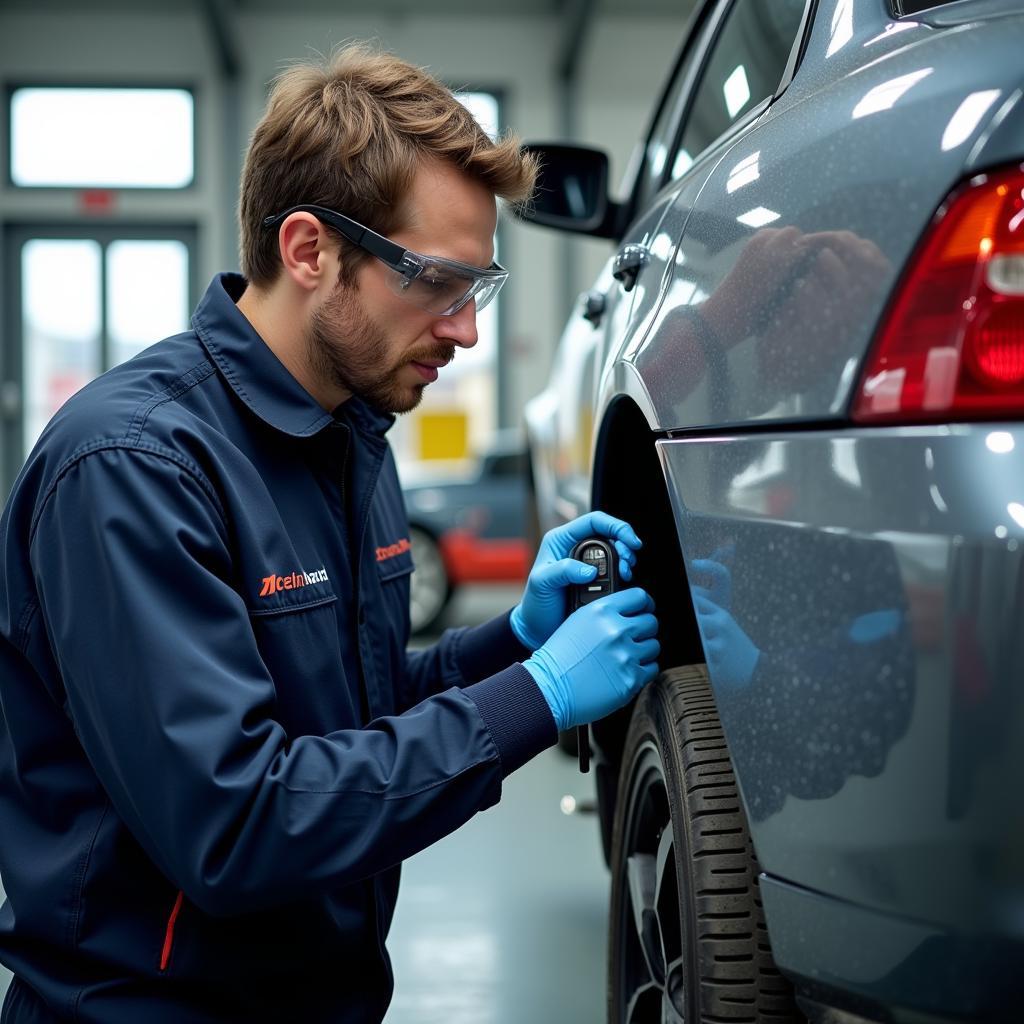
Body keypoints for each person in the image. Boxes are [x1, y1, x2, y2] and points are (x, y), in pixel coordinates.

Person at [0, 45, 660, 1023]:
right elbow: (240, 820)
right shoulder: (131, 467)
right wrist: (540, 695)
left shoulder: (353, 437)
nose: (467, 330)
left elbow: (356, 715)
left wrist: (511, 643)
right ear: (309, 250)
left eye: (477, 288)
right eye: (435, 280)